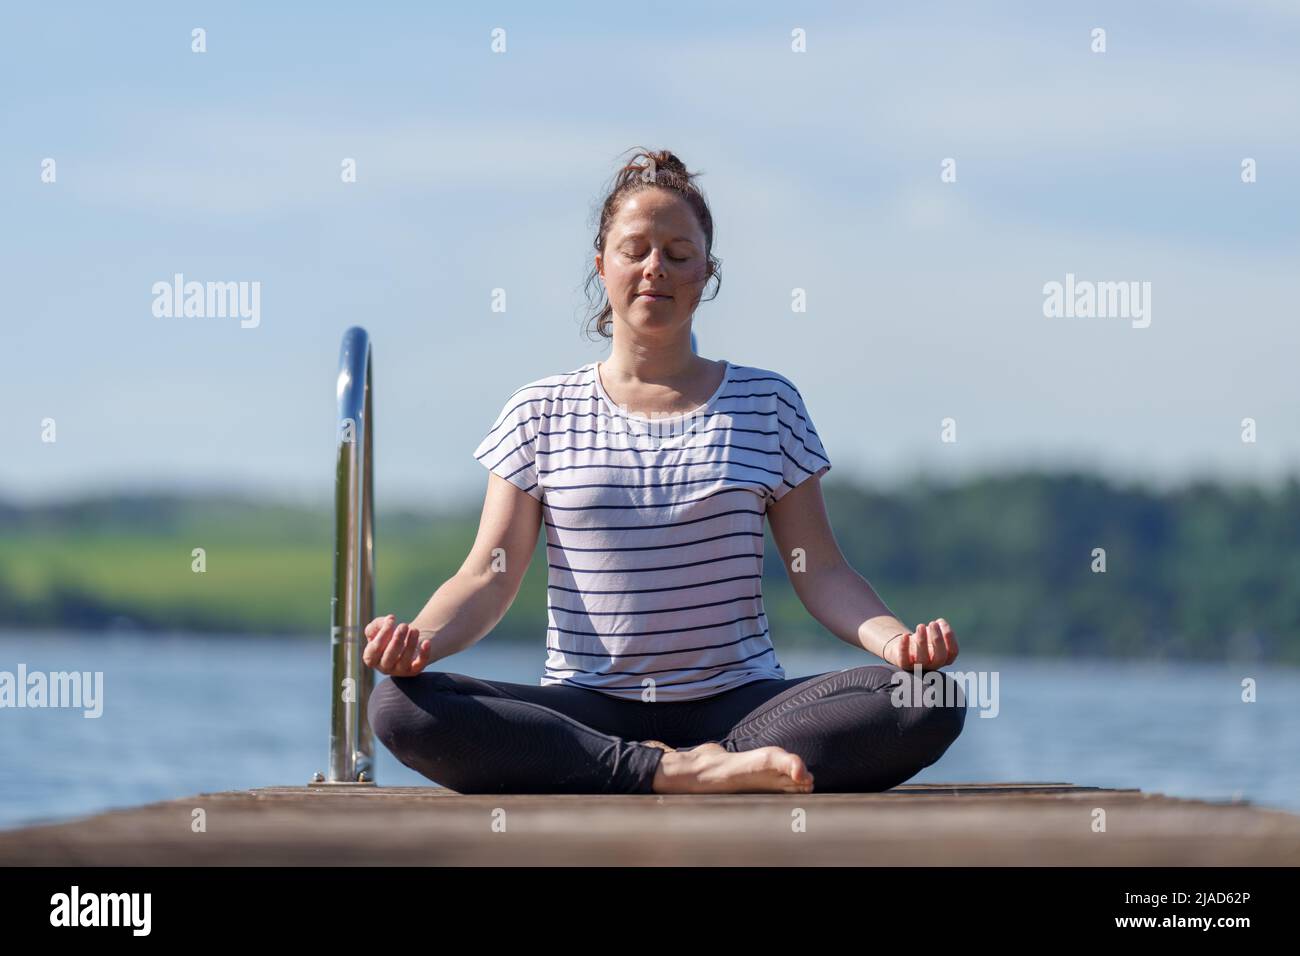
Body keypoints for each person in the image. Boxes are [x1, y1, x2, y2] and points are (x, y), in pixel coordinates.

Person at [366, 147, 965, 794]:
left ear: (706, 272)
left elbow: (819, 570)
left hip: (743, 707)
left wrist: (897, 644)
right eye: (636, 250)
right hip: (590, 709)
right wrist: (419, 642)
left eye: (679, 254)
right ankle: (672, 771)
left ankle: (705, 763)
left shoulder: (767, 403)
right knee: (400, 707)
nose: (657, 268)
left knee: (927, 697)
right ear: (602, 264)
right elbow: (488, 574)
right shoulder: (538, 411)